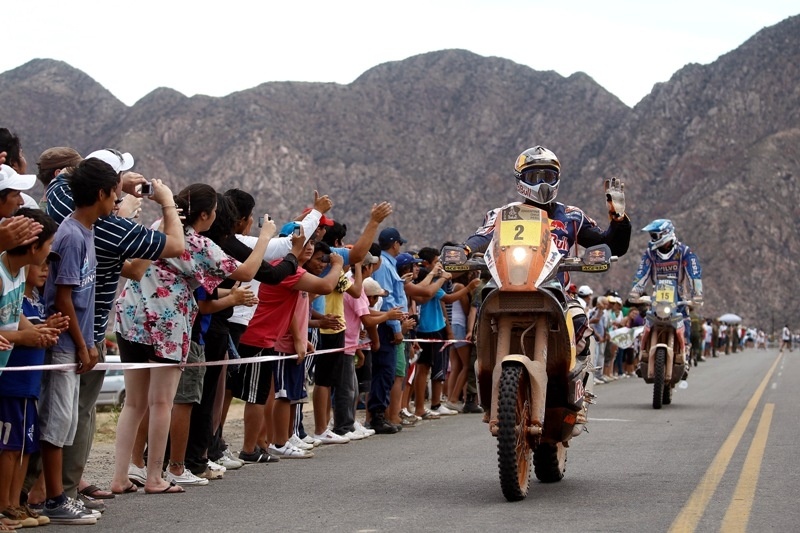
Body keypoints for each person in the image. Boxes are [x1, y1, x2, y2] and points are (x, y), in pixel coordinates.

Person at [111, 183, 274, 495]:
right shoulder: (199, 245)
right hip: (166, 325)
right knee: (161, 403)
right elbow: (247, 270)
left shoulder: (160, 226)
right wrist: (265, 236)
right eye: (213, 211)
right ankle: (155, 476)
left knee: (133, 403)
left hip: (129, 317)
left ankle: (120, 476)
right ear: (204, 215)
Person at [464, 146, 631, 360]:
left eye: (548, 176)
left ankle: (578, 384)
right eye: (534, 176)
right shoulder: (504, 214)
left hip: (557, 290)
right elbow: (484, 235)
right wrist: (465, 249)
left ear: (557, 179)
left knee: (580, 326)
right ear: (520, 180)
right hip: (508, 285)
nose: (542, 183)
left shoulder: (572, 216)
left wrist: (618, 219)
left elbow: (611, 246)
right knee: (483, 321)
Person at [39, 158, 120, 524]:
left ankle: (53, 494)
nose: (117, 200)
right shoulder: (70, 235)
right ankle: (53, 498)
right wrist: (82, 343)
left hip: (79, 341)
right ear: (101, 193)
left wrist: (90, 341)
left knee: (68, 422)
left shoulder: (87, 231)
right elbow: (63, 298)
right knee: (56, 423)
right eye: (114, 192)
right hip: (63, 343)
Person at [629, 219, 703, 346]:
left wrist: (697, 294)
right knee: (648, 322)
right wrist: (636, 291)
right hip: (657, 297)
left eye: (654, 235)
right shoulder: (650, 253)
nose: (652, 238)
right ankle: (643, 354)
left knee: (685, 323)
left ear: (665, 234)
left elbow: (694, 273)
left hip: (678, 297)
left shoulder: (683, 251)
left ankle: (685, 351)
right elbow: (642, 272)